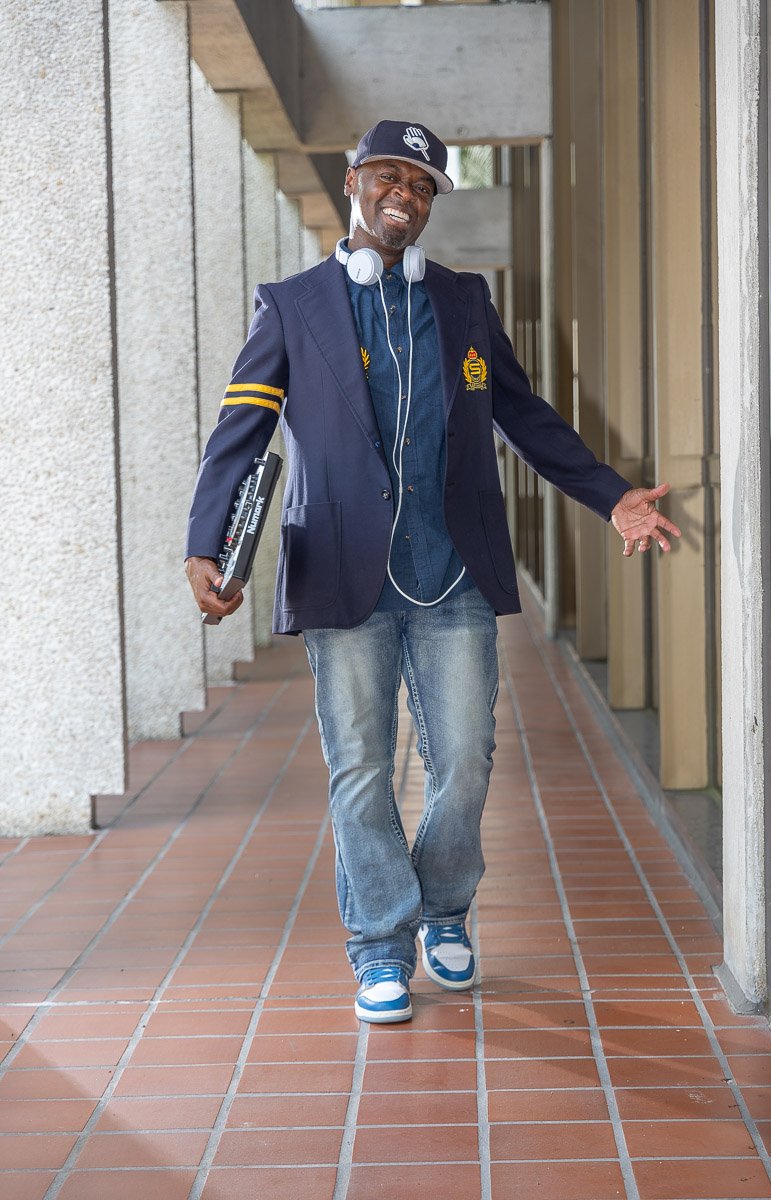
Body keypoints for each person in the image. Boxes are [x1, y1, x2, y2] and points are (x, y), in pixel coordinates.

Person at [185, 120, 681, 1024]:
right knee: (360, 767)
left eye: (421, 187)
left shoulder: (461, 301)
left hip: (451, 570)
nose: (404, 197)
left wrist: (610, 497)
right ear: (352, 182)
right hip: (342, 573)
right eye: (389, 177)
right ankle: (381, 944)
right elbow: (239, 435)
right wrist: (205, 547)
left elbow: (524, 414)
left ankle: (445, 907)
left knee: (466, 760)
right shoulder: (291, 307)